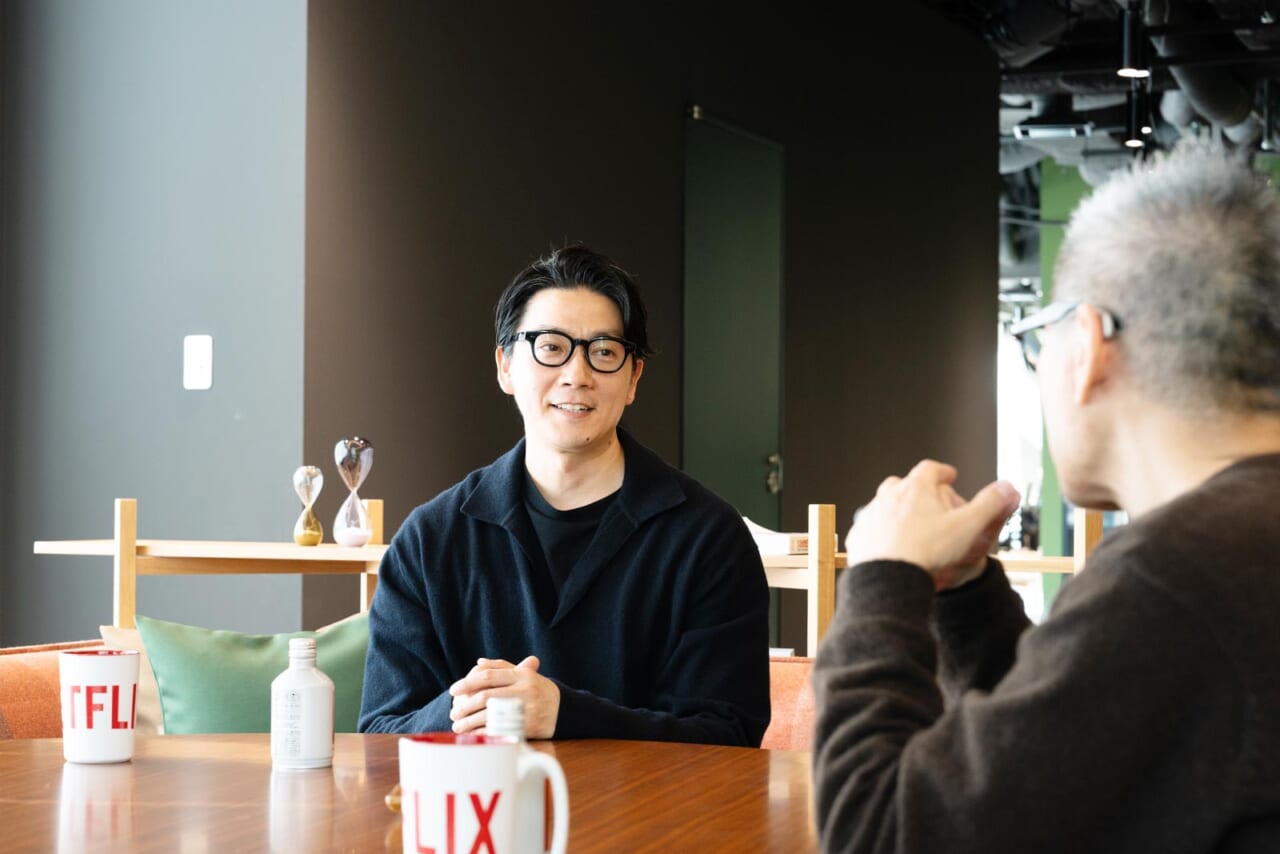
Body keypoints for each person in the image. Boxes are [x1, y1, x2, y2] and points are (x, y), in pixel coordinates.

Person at [813, 144, 1280, 852]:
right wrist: (966, 595)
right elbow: (1065, 767)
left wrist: (883, 576)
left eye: (1039, 339)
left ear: (1088, 344)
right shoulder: (1234, 555)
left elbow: (879, 834)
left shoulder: (1176, 576)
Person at [359, 244, 770, 745]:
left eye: (604, 352)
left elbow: (729, 738)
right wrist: (473, 707)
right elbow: (378, 738)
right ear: (505, 367)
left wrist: (566, 715)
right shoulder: (430, 540)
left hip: (650, 803)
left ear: (634, 378)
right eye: (551, 347)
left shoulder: (709, 538)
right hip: (479, 798)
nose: (577, 375)